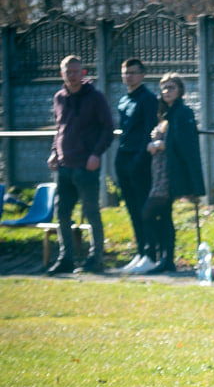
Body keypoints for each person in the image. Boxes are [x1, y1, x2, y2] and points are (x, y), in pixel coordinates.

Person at [46, 55, 114, 276]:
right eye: (68, 72)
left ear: (83, 73)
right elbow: (59, 130)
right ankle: (66, 258)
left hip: (86, 165)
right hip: (64, 166)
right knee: (62, 214)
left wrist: (96, 154)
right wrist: (54, 153)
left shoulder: (95, 97)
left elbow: (108, 129)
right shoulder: (59, 98)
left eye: (76, 71)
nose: (72, 75)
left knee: (91, 212)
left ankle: (96, 259)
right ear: (62, 74)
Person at [136, 73, 206, 274]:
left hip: (169, 173)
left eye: (171, 87)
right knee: (164, 216)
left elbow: (185, 142)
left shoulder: (183, 112)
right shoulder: (165, 114)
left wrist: (159, 144)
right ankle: (166, 259)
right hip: (158, 171)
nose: (167, 91)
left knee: (148, 213)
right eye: (164, 88)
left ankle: (160, 256)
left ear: (180, 91)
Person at [116, 58, 158, 274]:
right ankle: (140, 251)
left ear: (142, 75)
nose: (129, 77)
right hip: (123, 158)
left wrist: (139, 160)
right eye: (126, 73)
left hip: (139, 161)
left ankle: (151, 254)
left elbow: (147, 133)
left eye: (133, 73)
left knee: (144, 208)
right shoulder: (124, 100)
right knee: (132, 209)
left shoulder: (148, 99)